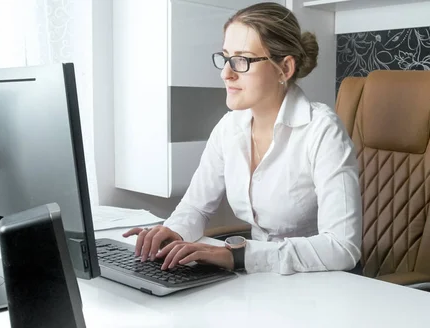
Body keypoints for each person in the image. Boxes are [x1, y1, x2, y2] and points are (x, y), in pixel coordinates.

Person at [123, 2, 362, 275]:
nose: (226, 73)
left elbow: (343, 247)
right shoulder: (230, 127)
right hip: (262, 280)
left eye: (242, 60)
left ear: (284, 68)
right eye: (225, 57)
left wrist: (238, 256)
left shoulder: (322, 130)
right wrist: (173, 232)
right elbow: (196, 207)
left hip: (325, 284)